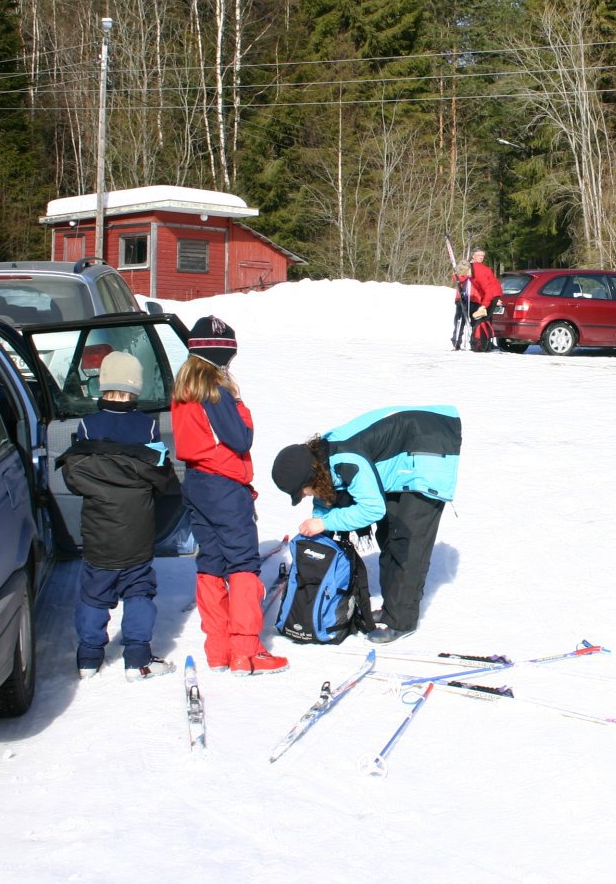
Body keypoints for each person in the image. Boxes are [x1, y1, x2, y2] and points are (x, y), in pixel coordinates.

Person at [270, 406, 461, 645]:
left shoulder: (347, 460)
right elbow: (326, 498)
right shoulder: (320, 459)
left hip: (428, 452)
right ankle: (393, 608)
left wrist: (325, 522)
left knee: (407, 543)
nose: (306, 496)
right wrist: (319, 526)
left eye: (303, 492)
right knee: (388, 536)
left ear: (310, 478)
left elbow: (372, 509)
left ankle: (402, 621)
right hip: (406, 451)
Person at [172, 315, 288, 676]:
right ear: (222, 355)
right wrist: (239, 406)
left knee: (211, 562)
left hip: (196, 483)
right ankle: (245, 650)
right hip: (224, 485)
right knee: (243, 565)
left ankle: (218, 649)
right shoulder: (216, 394)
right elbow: (241, 439)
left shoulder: (183, 392)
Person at [58, 351, 179, 682]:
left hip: (99, 528)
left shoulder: (87, 425)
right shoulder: (148, 426)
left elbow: (79, 476)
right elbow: (160, 476)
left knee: (94, 592)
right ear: (136, 387)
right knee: (138, 589)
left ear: (102, 385)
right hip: (137, 526)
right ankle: (137, 659)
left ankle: (89, 658)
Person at [468, 249, 502, 352]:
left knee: (482, 319)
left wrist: (484, 305)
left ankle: (481, 344)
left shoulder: (479, 271)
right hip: (487, 296)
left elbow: (489, 291)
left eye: (483, 255)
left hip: (491, 295)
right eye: (479, 255)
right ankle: (482, 343)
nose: (481, 257)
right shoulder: (472, 269)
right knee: (483, 319)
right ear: (472, 256)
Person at [450, 261, 474, 350]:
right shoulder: (461, 277)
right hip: (461, 299)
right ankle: (456, 340)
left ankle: (472, 341)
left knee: (467, 321)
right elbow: (458, 279)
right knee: (459, 321)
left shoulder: (469, 277)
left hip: (471, 299)